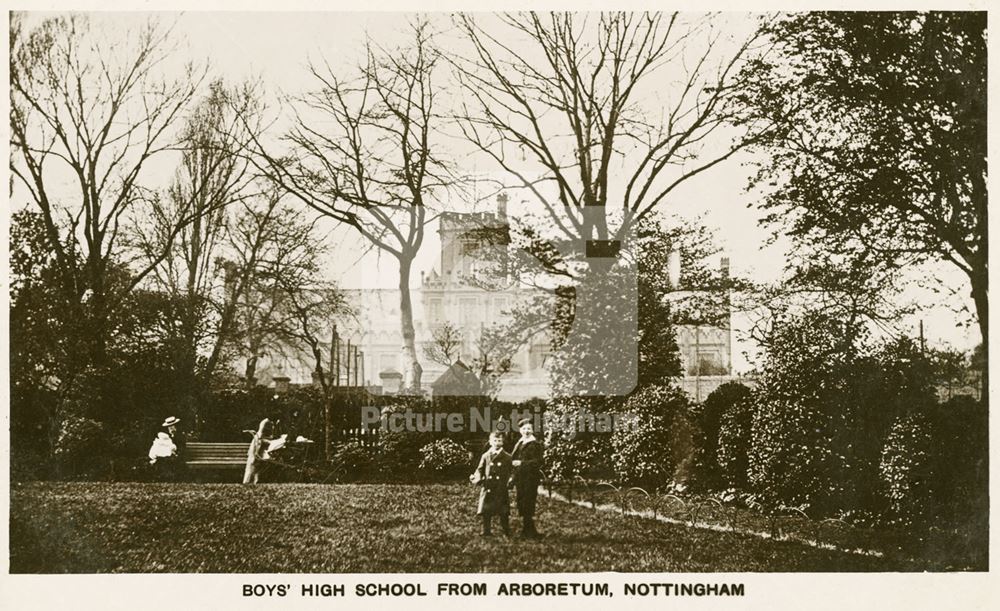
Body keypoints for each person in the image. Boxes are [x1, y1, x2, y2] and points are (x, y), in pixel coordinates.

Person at [470, 431, 513, 537]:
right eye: (494, 440)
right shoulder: (486, 455)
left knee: (503, 510)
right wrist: (476, 477)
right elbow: (480, 469)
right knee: (486, 510)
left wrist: (511, 480)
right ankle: (486, 531)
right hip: (488, 485)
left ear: (503, 442)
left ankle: (506, 530)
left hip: (501, 486)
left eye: (499, 441)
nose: (497, 443)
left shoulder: (507, 457)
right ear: (490, 442)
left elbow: (511, 471)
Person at [510, 418, 544, 539]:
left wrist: (522, 463)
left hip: (530, 478)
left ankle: (528, 531)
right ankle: (528, 529)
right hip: (520, 478)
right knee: (522, 502)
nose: (526, 431)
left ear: (533, 430)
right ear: (520, 430)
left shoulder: (535, 444)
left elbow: (538, 461)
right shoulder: (519, 443)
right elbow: (512, 459)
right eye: (524, 429)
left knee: (528, 502)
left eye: (529, 428)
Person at [243, 418, 272, 485]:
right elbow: (259, 437)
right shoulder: (265, 422)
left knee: (258, 465)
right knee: (253, 463)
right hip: (258, 444)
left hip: (261, 445)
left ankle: (255, 482)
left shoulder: (269, 422)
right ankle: (247, 481)